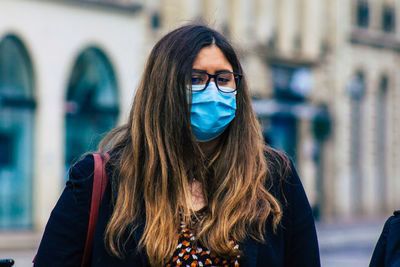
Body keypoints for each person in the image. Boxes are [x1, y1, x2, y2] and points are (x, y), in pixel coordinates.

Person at [34, 24, 320, 266]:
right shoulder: (101, 180)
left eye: (223, 79)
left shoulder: (275, 178)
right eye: (195, 79)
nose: (212, 90)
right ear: (163, 88)